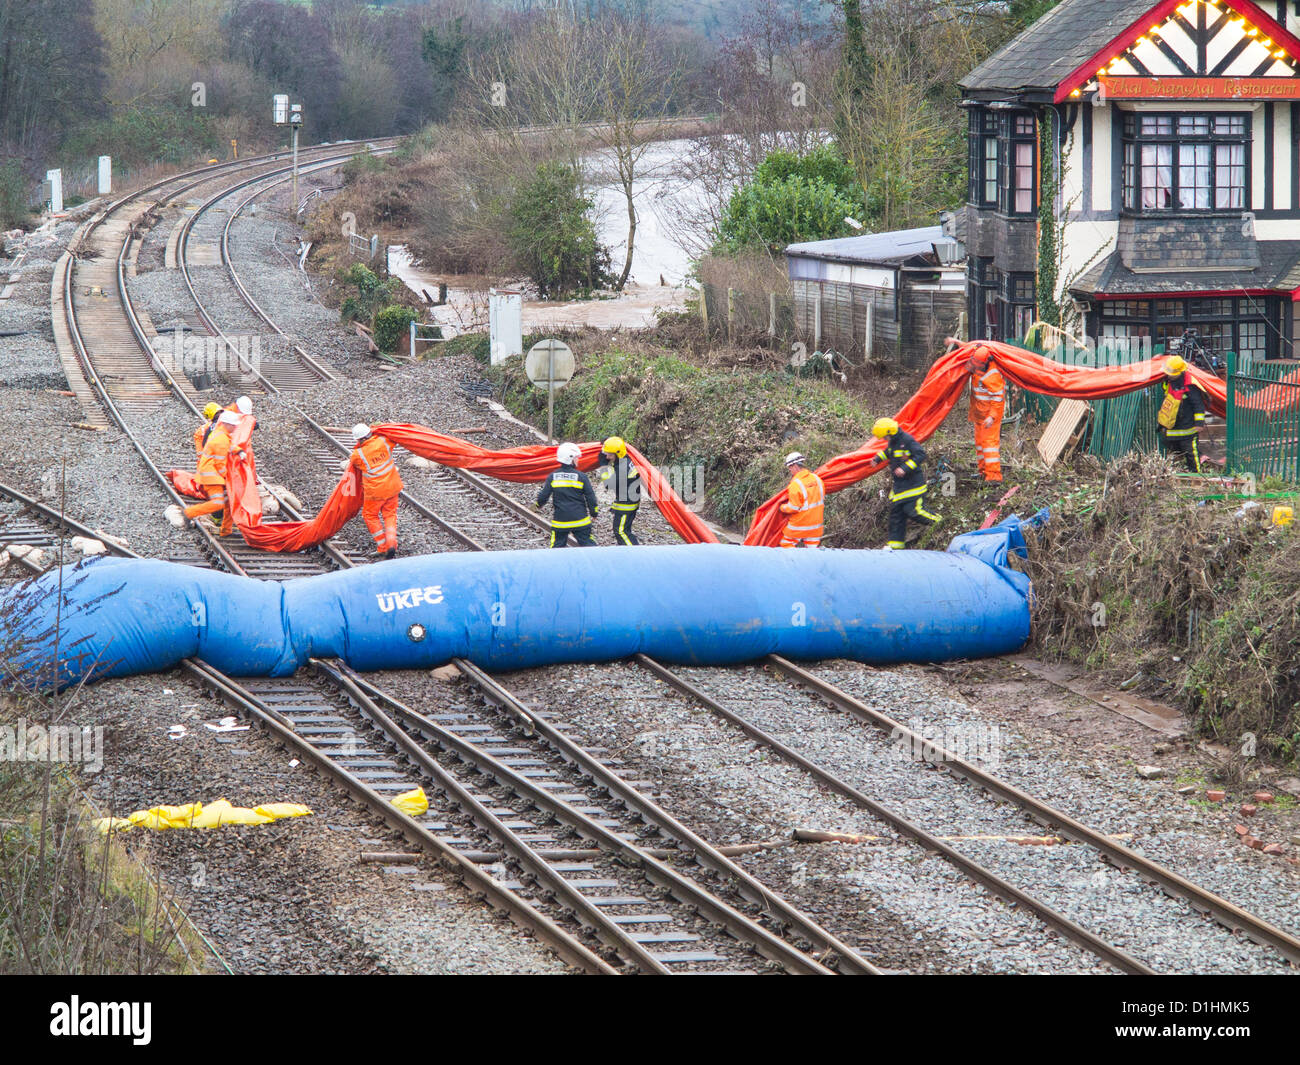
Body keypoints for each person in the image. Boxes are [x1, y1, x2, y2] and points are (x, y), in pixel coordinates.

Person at [873, 418, 941, 549]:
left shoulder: (907, 440)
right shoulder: (893, 442)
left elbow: (920, 454)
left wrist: (905, 468)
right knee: (896, 515)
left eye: (884, 437)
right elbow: (888, 452)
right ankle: (896, 545)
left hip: (913, 485)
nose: (884, 440)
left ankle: (940, 522)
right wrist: (877, 459)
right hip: (900, 487)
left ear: (890, 432)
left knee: (914, 511)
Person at [348, 424, 402, 559]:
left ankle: (383, 547)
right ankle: (391, 544)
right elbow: (394, 439)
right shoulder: (385, 441)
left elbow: (355, 464)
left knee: (370, 515)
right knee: (390, 515)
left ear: (358, 439)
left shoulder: (357, 455)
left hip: (376, 492)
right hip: (393, 486)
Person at [184, 411, 241, 536]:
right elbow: (220, 465)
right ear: (227, 424)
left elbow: (229, 445)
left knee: (229, 502)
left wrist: (239, 451)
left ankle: (226, 531)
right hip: (212, 476)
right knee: (218, 503)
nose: (236, 427)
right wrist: (228, 477)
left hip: (212, 474)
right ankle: (189, 513)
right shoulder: (221, 439)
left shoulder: (220, 433)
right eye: (234, 425)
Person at [535, 442, 598, 547]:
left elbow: (543, 496)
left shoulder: (553, 476)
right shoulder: (582, 477)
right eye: (576, 457)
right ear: (571, 459)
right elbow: (591, 497)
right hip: (580, 521)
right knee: (588, 544)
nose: (578, 460)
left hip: (561, 522)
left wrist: (538, 505)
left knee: (557, 546)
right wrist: (594, 513)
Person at [1157, 356, 1207, 472]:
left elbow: (1198, 404)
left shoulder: (1190, 384)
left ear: (1180, 372)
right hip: (1172, 424)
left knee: (1190, 451)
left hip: (1188, 426)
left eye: (1171, 373)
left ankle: (1196, 474)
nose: (1169, 375)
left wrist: (1199, 423)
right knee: (1172, 447)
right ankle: (1180, 471)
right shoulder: (1168, 381)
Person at [967, 350, 1005, 482]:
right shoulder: (979, 364)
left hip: (989, 415)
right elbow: (970, 348)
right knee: (979, 443)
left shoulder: (992, 375)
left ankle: (994, 476)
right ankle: (983, 471)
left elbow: (998, 398)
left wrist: (992, 416)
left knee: (989, 444)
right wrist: (956, 341)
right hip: (979, 412)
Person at [596, 436, 641, 545]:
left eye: (610, 455)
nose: (607, 457)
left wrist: (603, 466)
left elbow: (608, 485)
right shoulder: (624, 458)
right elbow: (615, 443)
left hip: (626, 504)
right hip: (628, 500)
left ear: (618, 454)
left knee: (621, 532)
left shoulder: (623, 468)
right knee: (624, 530)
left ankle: (635, 555)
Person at [778, 451, 825, 548]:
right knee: (812, 551)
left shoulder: (795, 484)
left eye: (790, 467)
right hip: (816, 526)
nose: (790, 470)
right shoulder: (817, 479)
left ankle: (794, 562)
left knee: (786, 544)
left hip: (799, 526)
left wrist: (782, 507)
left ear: (794, 466)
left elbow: (793, 507)